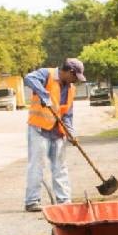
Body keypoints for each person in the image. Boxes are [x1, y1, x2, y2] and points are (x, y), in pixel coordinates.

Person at [22, 58, 86, 212]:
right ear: (68, 72)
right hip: (39, 129)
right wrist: (44, 94)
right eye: (75, 77)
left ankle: (64, 201)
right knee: (37, 165)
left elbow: (67, 115)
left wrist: (71, 133)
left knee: (60, 167)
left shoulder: (71, 89)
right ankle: (32, 201)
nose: (75, 81)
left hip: (57, 132)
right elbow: (28, 78)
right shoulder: (46, 74)